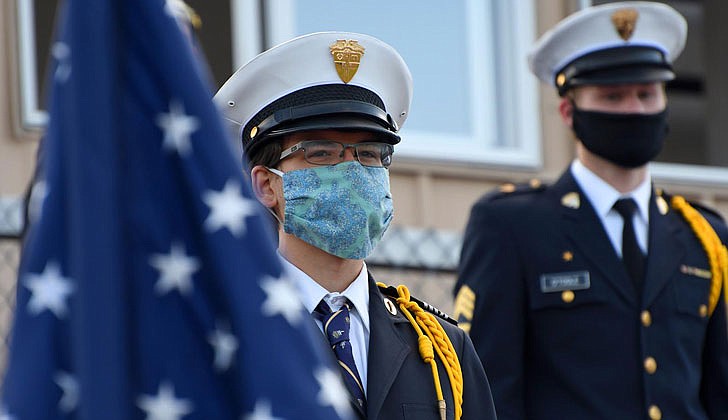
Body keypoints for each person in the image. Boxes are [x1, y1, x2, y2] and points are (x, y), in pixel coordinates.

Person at [453, 2, 728, 420]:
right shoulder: (511, 226)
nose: (634, 110)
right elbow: (486, 388)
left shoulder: (702, 237)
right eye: (612, 96)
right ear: (568, 112)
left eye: (646, 94)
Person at [214, 32, 497, 420]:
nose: (352, 170)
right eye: (321, 153)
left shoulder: (442, 349)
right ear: (267, 184)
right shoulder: (225, 332)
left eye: (369, 154)